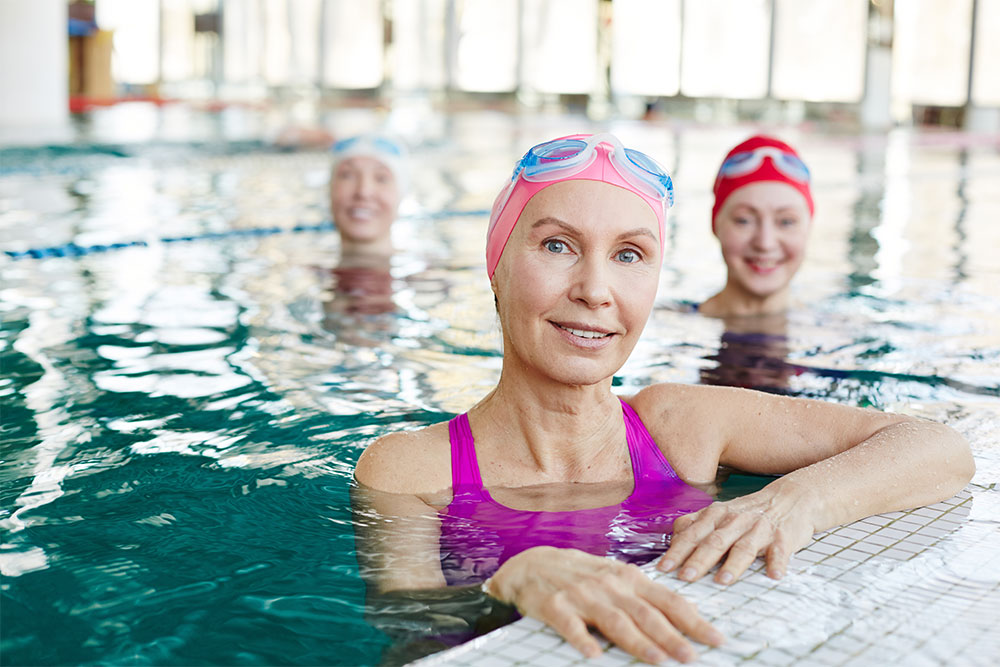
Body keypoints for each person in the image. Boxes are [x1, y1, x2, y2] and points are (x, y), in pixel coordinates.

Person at [352, 133, 974, 664]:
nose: (596, 290)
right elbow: (408, 630)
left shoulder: (683, 425)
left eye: (629, 255)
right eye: (557, 245)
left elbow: (937, 447)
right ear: (497, 261)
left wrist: (792, 502)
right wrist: (505, 582)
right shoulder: (410, 468)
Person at [697, 135, 813, 318]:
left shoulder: (842, 331)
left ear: (808, 228)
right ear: (715, 224)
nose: (765, 243)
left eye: (786, 222)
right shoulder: (666, 328)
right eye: (744, 220)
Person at [329, 133, 408, 256]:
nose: (363, 192)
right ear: (330, 190)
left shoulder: (431, 271)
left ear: (401, 196)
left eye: (381, 178)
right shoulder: (301, 270)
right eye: (348, 176)